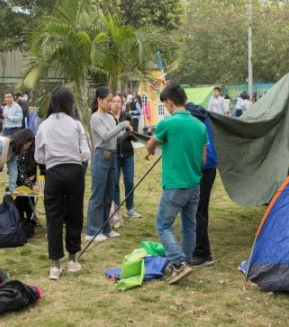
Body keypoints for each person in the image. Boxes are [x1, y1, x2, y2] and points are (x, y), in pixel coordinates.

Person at [146, 84, 207, 285]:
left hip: (174, 185)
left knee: (163, 225)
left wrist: (149, 151)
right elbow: (203, 160)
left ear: (169, 103)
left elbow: (151, 143)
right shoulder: (200, 126)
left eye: (165, 104)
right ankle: (186, 261)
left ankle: (179, 264)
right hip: (194, 184)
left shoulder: (168, 123)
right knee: (189, 224)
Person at [35, 87, 90, 280]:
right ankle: (73, 259)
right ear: (69, 103)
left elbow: (38, 156)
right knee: (75, 214)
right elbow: (85, 153)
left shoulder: (43, 126)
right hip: (75, 171)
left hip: (54, 173)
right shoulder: (76, 125)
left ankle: (55, 265)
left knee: (54, 217)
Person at [85, 86, 132, 242]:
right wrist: (122, 125)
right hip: (100, 156)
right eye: (108, 101)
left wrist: (126, 133)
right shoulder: (95, 117)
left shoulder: (111, 117)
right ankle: (92, 231)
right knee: (97, 195)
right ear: (99, 100)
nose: (111, 104)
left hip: (112, 156)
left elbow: (115, 138)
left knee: (109, 195)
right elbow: (105, 136)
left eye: (112, 101)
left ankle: (106, 228)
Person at [185, 102, 218, 267]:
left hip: (204, 167)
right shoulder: (201, 115)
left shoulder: (192, 117)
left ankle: (202, 254)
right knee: (201, 210)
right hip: (210, 167)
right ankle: (199, 249)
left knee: (197, 211)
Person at [110, 93, 142, 221]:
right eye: (114, 101)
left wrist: (131, 131)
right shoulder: (108, 117)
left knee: (129, 181)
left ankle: (130, 209)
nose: (117, 103)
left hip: (128, 154)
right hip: (115, 154)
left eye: (119, 101)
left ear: (122, 103)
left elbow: (133, 136)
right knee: (115, 184)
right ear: (110, 103)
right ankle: (116, 211)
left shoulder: (127, 116)